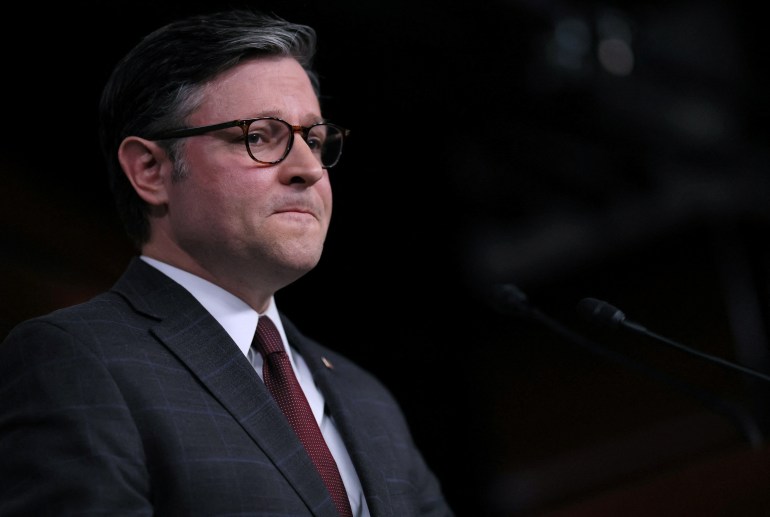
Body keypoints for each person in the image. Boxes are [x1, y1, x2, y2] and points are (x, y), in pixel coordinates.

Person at [0, 9, 453, 517]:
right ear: (151, 170)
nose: (307, 169)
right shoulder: (78, 360)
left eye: (316, 140)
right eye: (259, 137)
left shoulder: (367, 397)